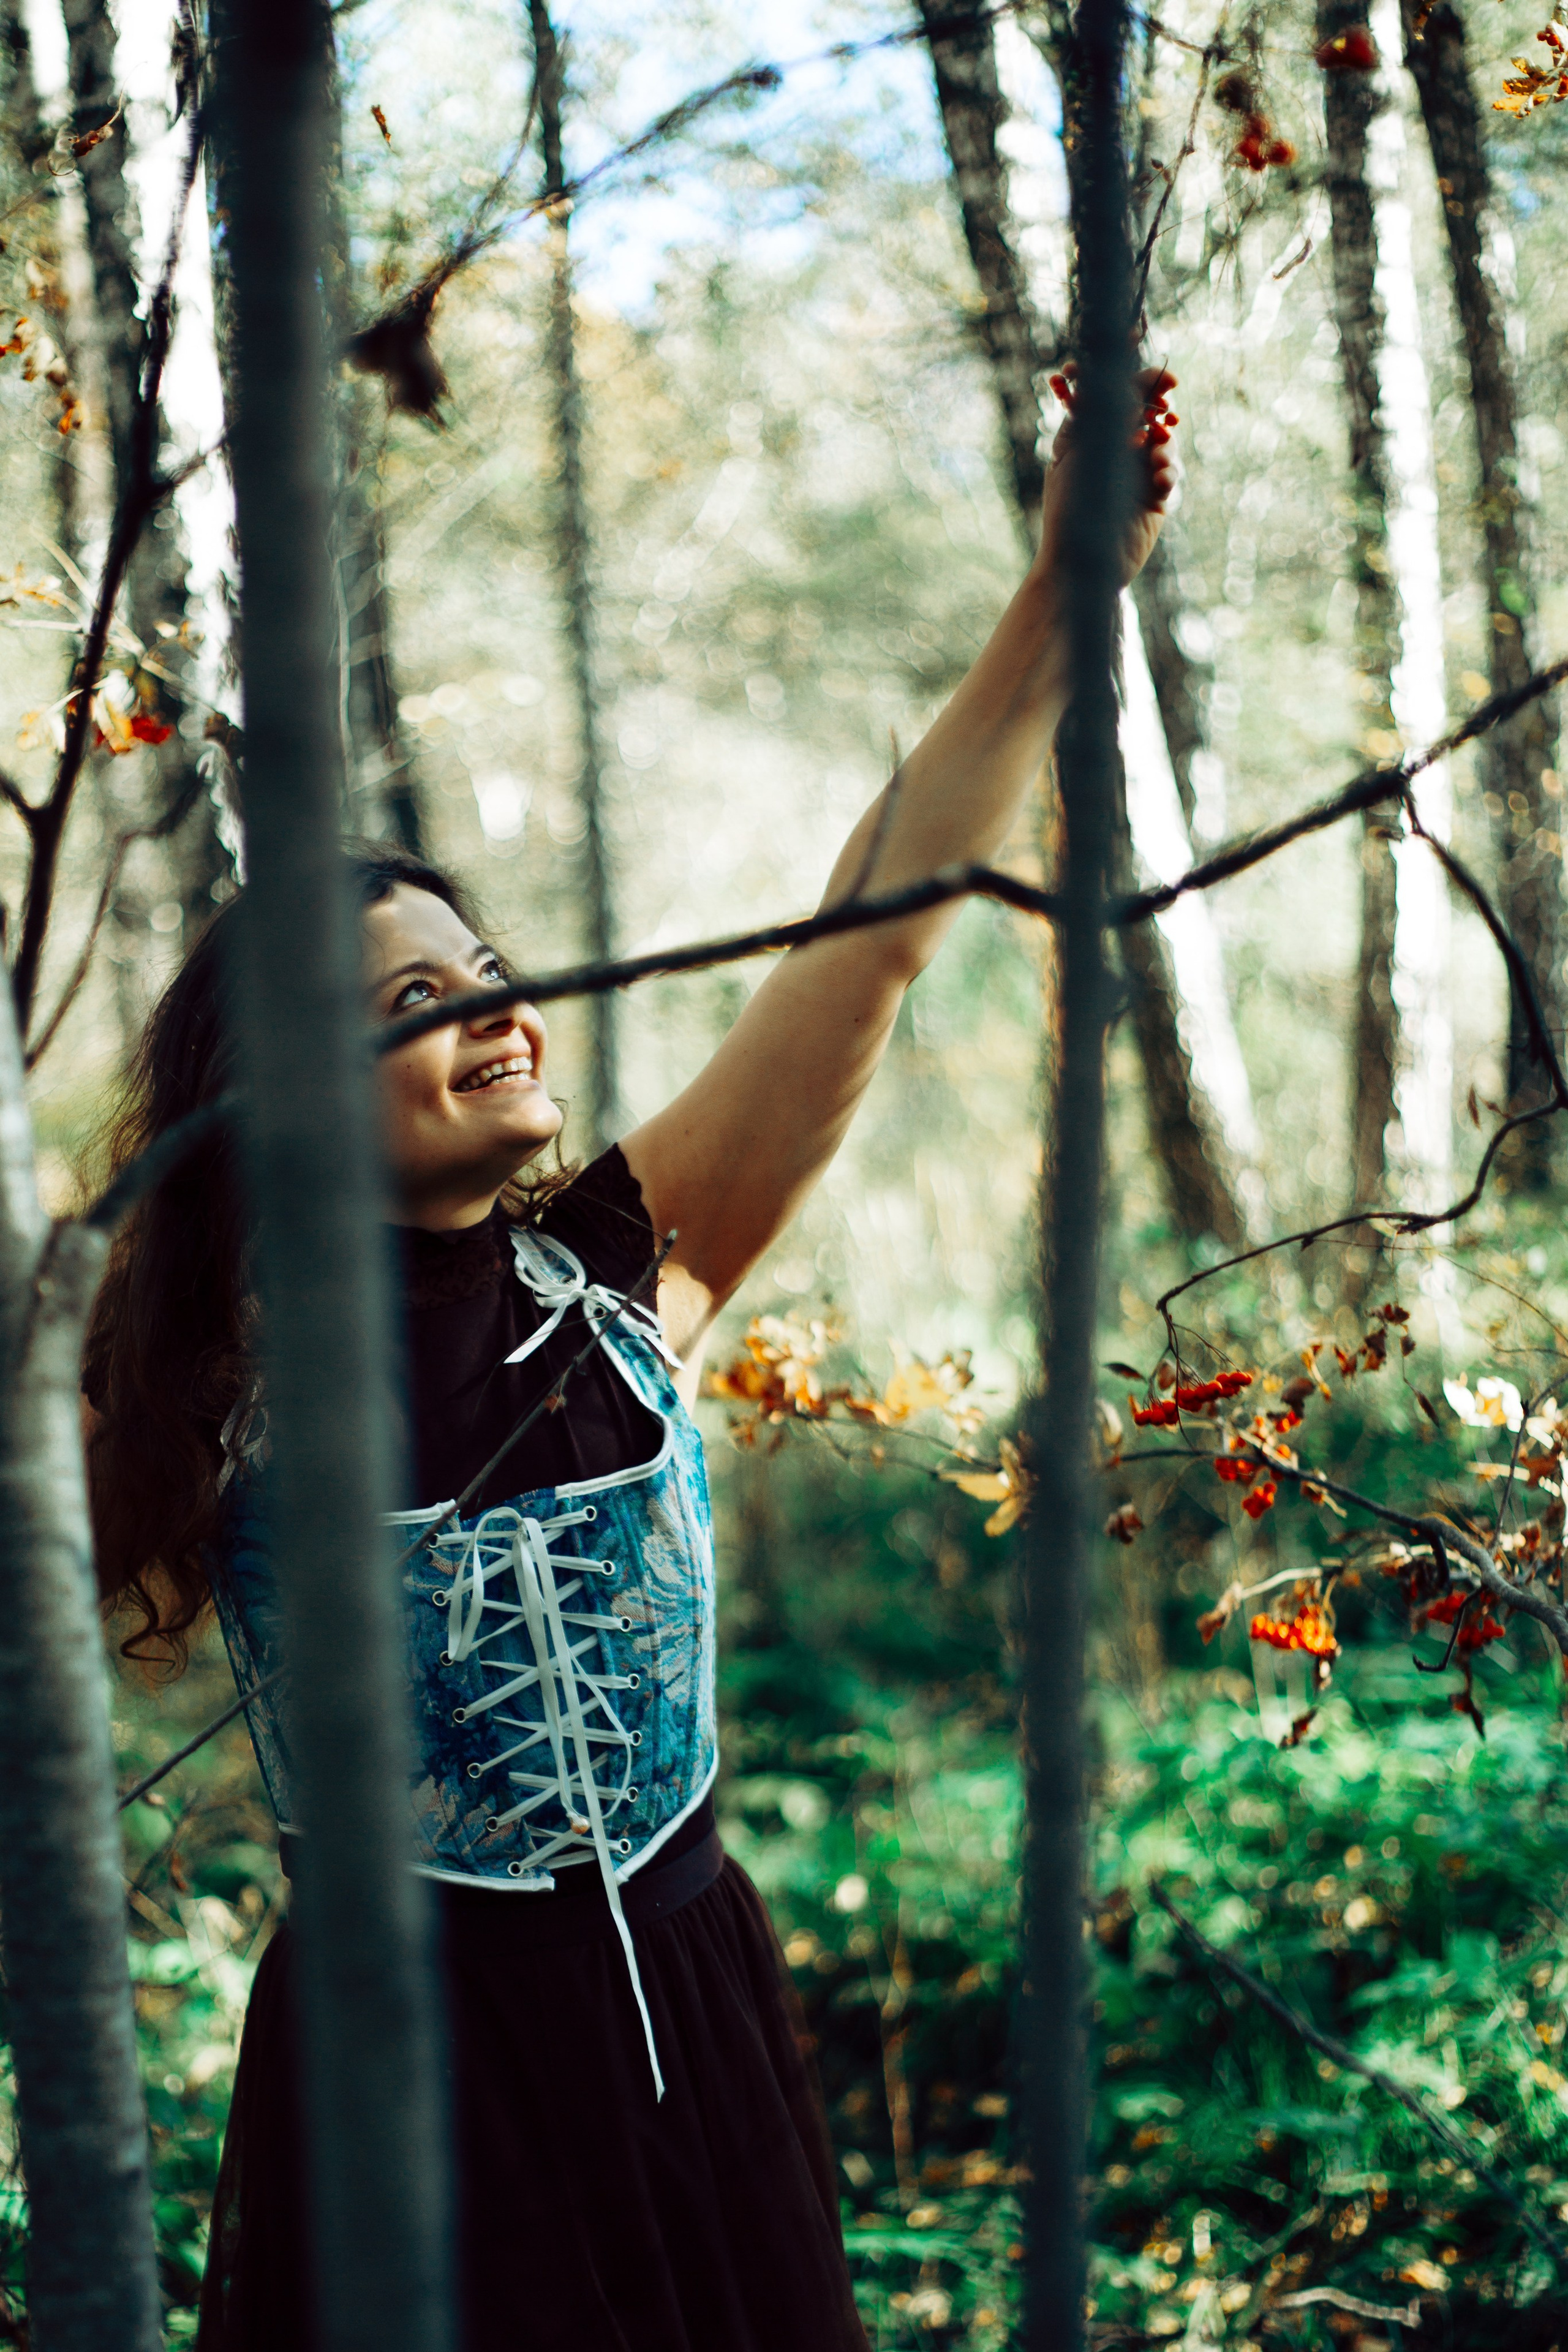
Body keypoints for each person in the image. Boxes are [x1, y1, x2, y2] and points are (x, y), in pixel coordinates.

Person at [85, 372, 1177, 2351]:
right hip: (407, 2067)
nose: (491, 1017)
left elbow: (879, 931)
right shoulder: (208, 1399)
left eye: (486, 973)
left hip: (688, 2007)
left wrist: (1060, 595)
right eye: (416, 1005)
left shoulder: (620, 1273)